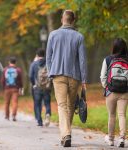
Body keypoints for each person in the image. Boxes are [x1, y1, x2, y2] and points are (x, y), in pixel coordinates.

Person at [46, 10, 87, 147]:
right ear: (73, 20)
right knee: (70, 106)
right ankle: (66, 133)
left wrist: (50, 73)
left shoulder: (53, 35)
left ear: (62, 19)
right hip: (74, 76)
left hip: (58, 75)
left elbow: (48, 57)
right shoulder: (79, 37)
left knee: (62, 105)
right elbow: (82, 60)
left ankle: (66, 134)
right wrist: (84, 80)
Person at [100, 38, 128, 148]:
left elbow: (103, 76)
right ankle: (122, 138)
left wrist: (107, 87)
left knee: (111, 115)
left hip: (111, 91)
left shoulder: (108, 59)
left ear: (114, 47)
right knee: (122, 115)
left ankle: (111, 139)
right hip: (125, 92)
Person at [29, 48, 51, 127]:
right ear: (44, 54)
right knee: (47, 103)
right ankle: (48, 113)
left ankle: (39, 121)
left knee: (37, 104)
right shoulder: (48, 63)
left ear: (37, 55)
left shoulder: (34, 64)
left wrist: (33, 84)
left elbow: (30, 76)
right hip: (46, 87)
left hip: (37, 87)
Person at [1, 56, 23, 121]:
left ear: (9, 62)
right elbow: (20, 80)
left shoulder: (5, 69)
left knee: (6, 102)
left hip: (7, 88)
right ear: (15, 62)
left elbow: (2, 80)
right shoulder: (18, 70)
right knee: (15, 102)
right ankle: (13, 116)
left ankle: (7, 116)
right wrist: (21, 87)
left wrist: (3, 87)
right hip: (15, 89)